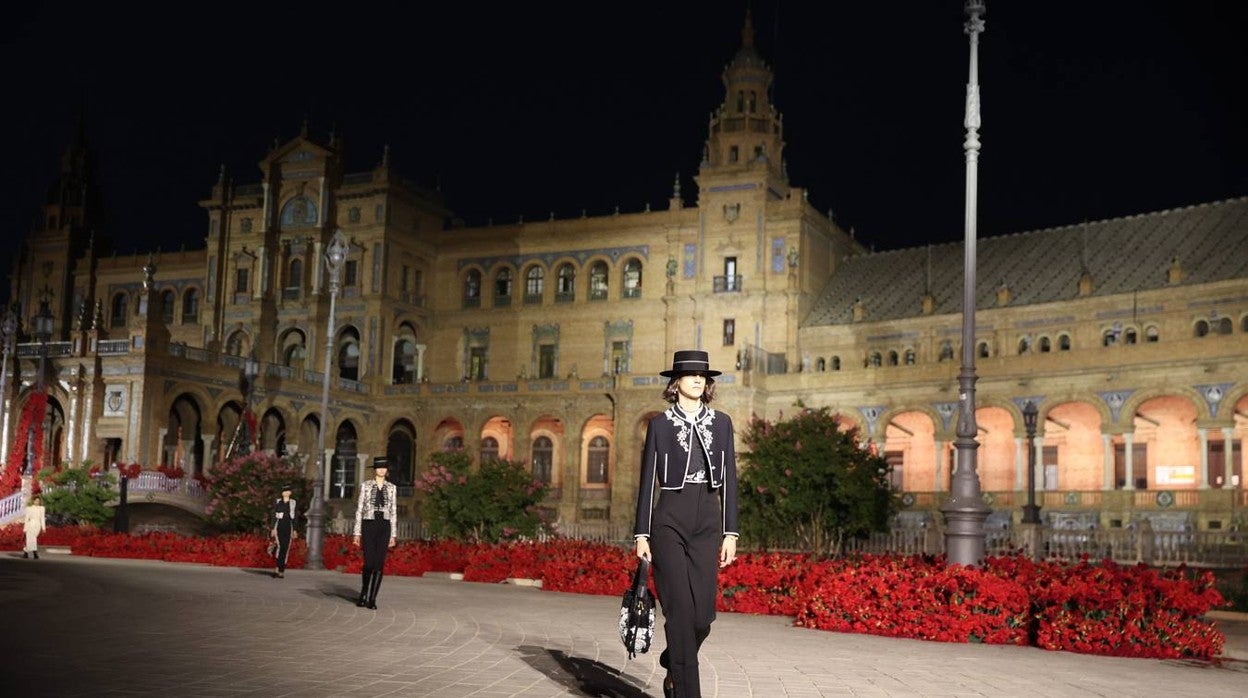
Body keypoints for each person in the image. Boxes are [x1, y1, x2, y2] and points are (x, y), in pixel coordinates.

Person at [633, 350, 738, 698]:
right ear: (675, 382)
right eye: (690, 374)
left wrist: (730, 531)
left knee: (702, 617)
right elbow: (648, 480)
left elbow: (730, 480)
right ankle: (685, 688)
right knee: (679, 612)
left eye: (703, 375)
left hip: (708, 519)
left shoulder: (722, 423)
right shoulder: (660, 426)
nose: (698, 379)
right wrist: (642, 533)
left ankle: (674, 658)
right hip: (669, 521)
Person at [353, 458, 397, 609]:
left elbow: (394, 512)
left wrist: (393, 535)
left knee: (379, 564)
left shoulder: (392, 488)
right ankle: (363, 593)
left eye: (384, 467)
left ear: (387, 470)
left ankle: (372, 599)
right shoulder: (365, 486)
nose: (382, 470)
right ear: (375, 470)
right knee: (369, 562)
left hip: (384, 525)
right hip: (369, 524)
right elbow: (359, 509)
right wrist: (357, 533)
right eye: (379, 467)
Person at [270, 484, 298, 578]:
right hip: (279, 525)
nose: (287, 493)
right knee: (280, 547)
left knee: (285, 548)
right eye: (285, 491)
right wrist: (273, 528)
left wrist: (295, 530)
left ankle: (280, 570)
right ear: (282, 493)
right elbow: (273, 515)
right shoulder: (278, 502)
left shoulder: (293, 503)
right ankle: (277, 569)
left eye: (288, 491)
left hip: (288, 526)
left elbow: (295, 518)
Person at [23, 495, 47, 559]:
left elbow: (42, 518)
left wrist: (43, 528)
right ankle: (35, 553)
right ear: (33, 501)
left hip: (37, 525)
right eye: (36, 501)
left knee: (32, 539)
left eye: (38, 501)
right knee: (32, 539)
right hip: (30, 524)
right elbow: (26, 519)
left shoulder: (41, 508)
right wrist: (25, 528)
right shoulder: (29, 508)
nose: (37, 502)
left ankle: (26, 552)